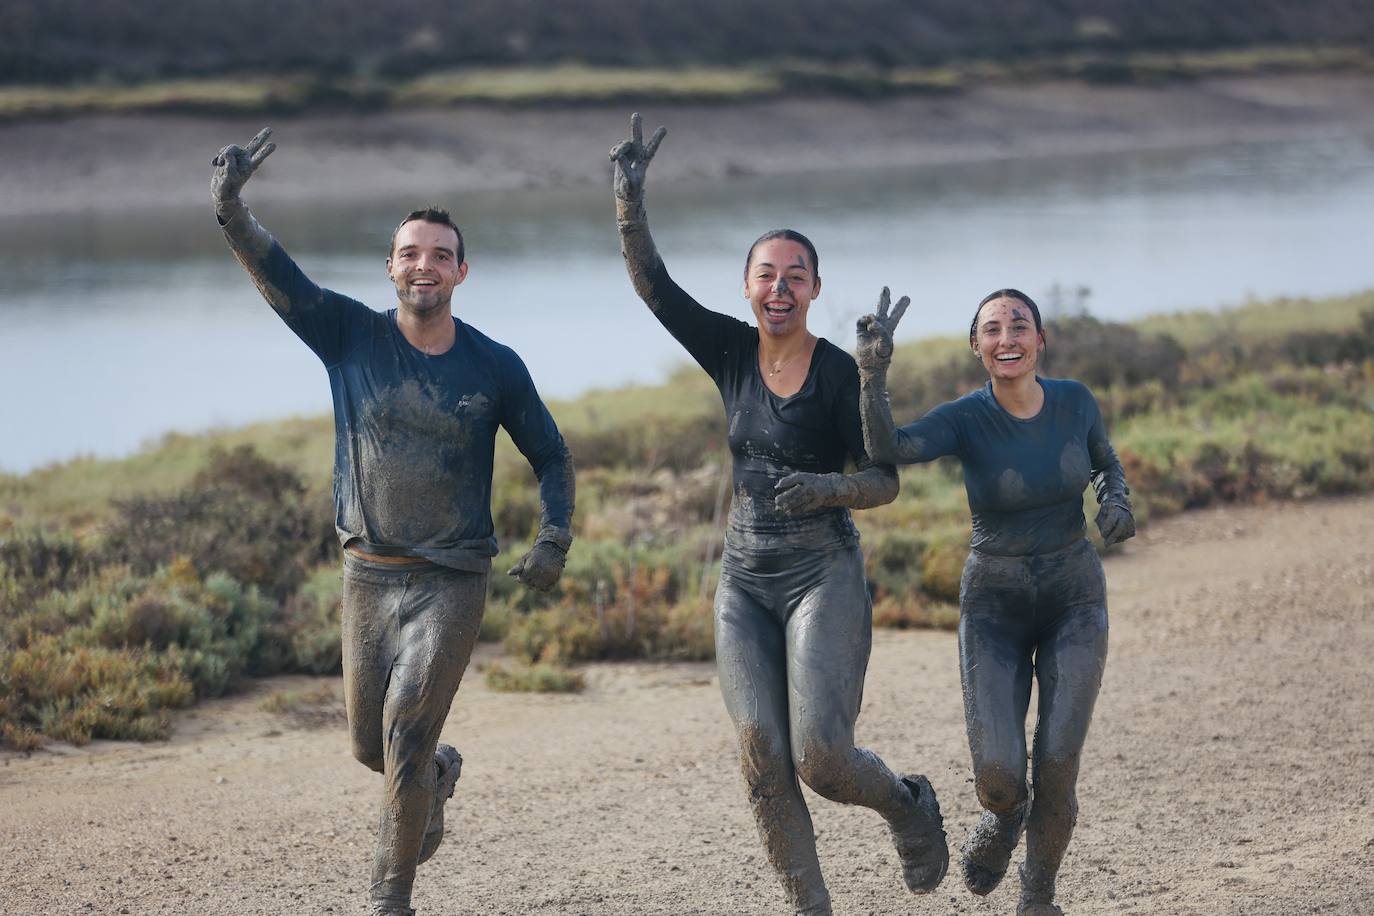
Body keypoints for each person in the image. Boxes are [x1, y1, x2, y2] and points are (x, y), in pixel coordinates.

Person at [210, 128, 575, 916]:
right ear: (391, 267)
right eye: (410, 253)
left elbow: (552, 456)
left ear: (462, 272)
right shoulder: (349, 336)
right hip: (367, 576)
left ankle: (390, 899)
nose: (424, 266)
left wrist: (553, 538)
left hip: (452, 578)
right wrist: (232, 210)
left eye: (440, 255)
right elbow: (280, 275)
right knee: (369, 746)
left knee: (405, 732)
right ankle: (435, 779)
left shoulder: (495, 365)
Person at [609, 113, 948, 916]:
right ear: (748, 286)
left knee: (822, 758)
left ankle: (907, 804)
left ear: (817, 289)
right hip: (742, 578)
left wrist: (844, 450)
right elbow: (654, 288)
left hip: (820, 570)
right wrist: (629, 204)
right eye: (767, 273)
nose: (780, 287)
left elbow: (884, 480)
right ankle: (810, 907)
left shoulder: (837, 374)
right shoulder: (728, 351)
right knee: (761, 753)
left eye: (796, 274)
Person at [854, 288, 1135, 916]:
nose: (1007, 338)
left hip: (1074, 596)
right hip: (993, 605)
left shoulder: (1076, 401)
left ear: (1040, 340)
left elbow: (1105, 463)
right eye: (992, 329)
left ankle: (1038, 898)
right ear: (977, 347)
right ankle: (1005, 819)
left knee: (1058, 759)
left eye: (1019, 326)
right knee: (1001, 778)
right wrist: (872, 374)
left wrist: (1117, 500)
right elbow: (887, 450)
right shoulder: (964, 418)